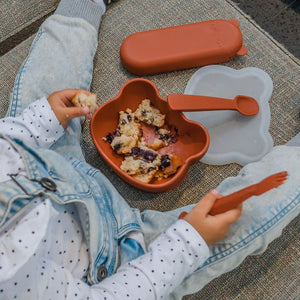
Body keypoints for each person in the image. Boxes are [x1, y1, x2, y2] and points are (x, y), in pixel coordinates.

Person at [0, 0, 299, 299]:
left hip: (50, 167)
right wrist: (187, 242)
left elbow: (7, 143)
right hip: (121, 259)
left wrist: (39, 120)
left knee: (45, 81)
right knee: (246, 218)